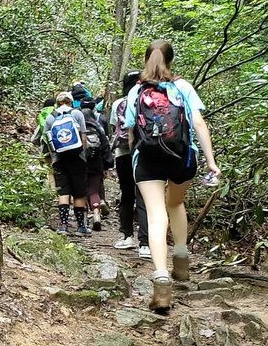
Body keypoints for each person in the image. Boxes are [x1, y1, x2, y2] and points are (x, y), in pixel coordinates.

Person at [124, 40, 220, 313]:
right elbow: (199, 123)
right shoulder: (183, 87)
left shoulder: (136, 91)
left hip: (148, 160)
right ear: (171, 60)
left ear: (146, 60)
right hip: (182, 158)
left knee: (156, 215)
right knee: (175, 203)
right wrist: (211, 162)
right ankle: (181, 256)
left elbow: (131, 130)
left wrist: (136, 153)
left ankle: (162, 279)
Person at [111, 71, 150, 257]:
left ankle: (127, 236)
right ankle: (145, 243)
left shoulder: (118, 103)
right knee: (144, 196)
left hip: (123, 153)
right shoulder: (147, 98)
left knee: (127, 194)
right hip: (145, 152)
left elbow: (115, 127)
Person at [44, 91, 90, 236]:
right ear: (70, 102)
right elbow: (83, 135)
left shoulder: (51, 117)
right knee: (79, 193)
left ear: (57, 103)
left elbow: (47, 139)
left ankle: (63, 225)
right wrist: (83, 154)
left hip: (59, 159)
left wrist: (52, 158)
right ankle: (81, 226)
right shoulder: (77, 114)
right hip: (77, 157)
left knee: (63, 192)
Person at [82, 100, 113, 230]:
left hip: (81, 163)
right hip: (96, 163)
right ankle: (96, 215)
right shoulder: (98, 128)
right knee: (94, 190)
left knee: (82, 192)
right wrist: (107, 165)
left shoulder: (78, 128)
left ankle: (82, 220)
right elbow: (106, 147)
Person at [32, 97, 56, 188]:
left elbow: (35, 136)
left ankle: (53, 190)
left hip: (46, 145)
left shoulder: (42, 115)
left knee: (50, 169)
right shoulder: (57, 113)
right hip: (59, 145)